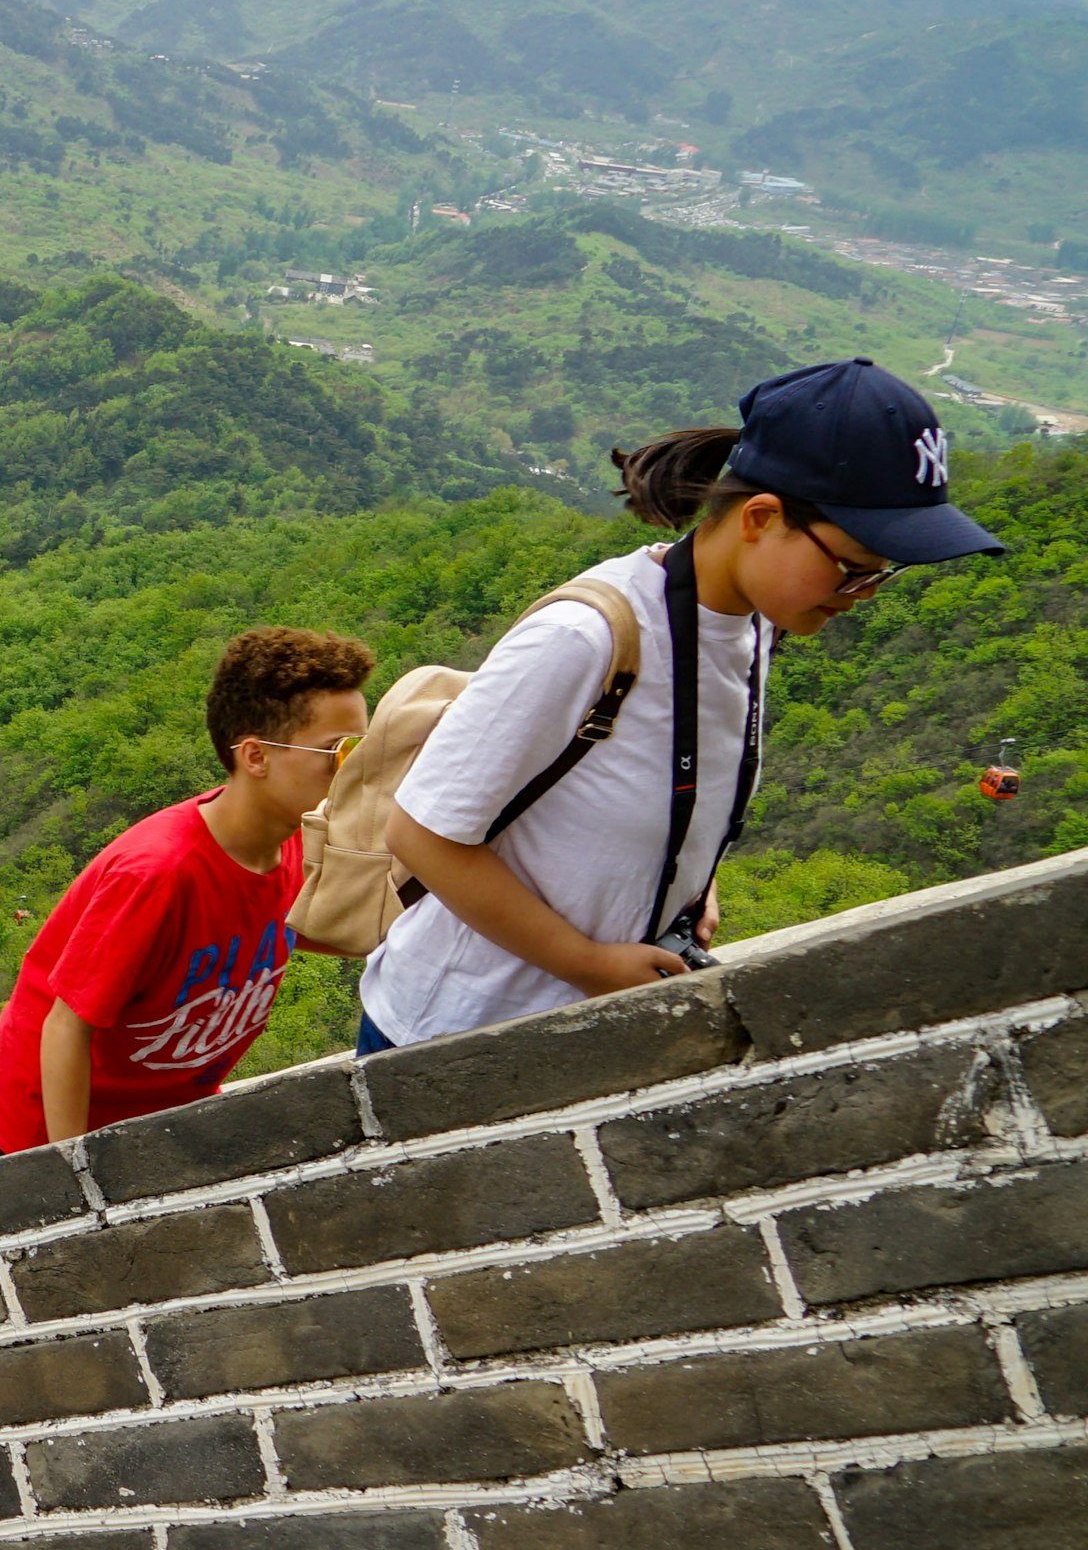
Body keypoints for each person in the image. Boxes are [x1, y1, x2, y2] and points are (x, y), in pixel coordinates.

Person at [372, 362, 1005, 1050]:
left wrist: (685, 885)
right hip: (456, 1033)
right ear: (761, 518)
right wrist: (584, 963)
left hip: (586, 1023)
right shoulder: (585, 637)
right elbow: (421, 835)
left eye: (887, 571)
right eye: (855, 566)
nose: (868, 592)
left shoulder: (753, 629)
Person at [0, 629, 375, 1151]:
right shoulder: (158, 874)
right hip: (49, 1125)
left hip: (155, 1116)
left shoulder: (289, 844)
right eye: (338, 752)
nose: (355, 769)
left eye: (363, 747)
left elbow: (288, 926)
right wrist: (69, 1173)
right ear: (255, 756)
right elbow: (67, 1024)